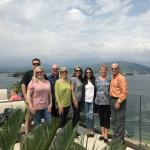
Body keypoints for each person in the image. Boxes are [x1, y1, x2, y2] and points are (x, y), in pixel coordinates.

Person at [21, 58, 47, 133]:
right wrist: (26, 98)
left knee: (37, 118)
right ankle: (27, 135)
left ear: (40, 65)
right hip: (30, 101)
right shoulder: (27, 74)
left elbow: (46, 86)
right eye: (34, 64)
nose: (36, 65)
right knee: (29, 119)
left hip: (40, 101)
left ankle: (37, 134)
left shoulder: (42, 74)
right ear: (32, 65)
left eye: (37, 64)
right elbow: (23, 86)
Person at [110, 63, 128, 142]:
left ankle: (120, 141)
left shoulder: (121, 78)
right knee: (114, 120)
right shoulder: (113, 77)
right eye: (112, 68)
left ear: (118, 69)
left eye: (115, 68)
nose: (114, 70)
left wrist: (119, 101)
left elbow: (125, 92)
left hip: (119, 101)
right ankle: (115, 139)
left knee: (120, 121)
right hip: (112, 100)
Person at [95, 64, 111, 143]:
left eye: (104, 70)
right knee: (101, 118)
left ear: (106, 71)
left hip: (107, 102)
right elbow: (95, 90)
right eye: (102, 70)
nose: (103, 71)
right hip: (98, 102)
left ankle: (106, 135)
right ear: (100, 71)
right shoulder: (97, 79)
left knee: (107, 118)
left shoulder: (109, 79)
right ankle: (102, 134)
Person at [83, 67, 96, 137]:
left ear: (91, 73)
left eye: (89, 72)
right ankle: (88, 130)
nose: (88, 73)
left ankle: (92, 130)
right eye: (87, 72)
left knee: (91, 116)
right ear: (85, 73)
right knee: (87, 116)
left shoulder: (94, 80)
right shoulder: (84, 81)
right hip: (85, 101)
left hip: (92, 101)